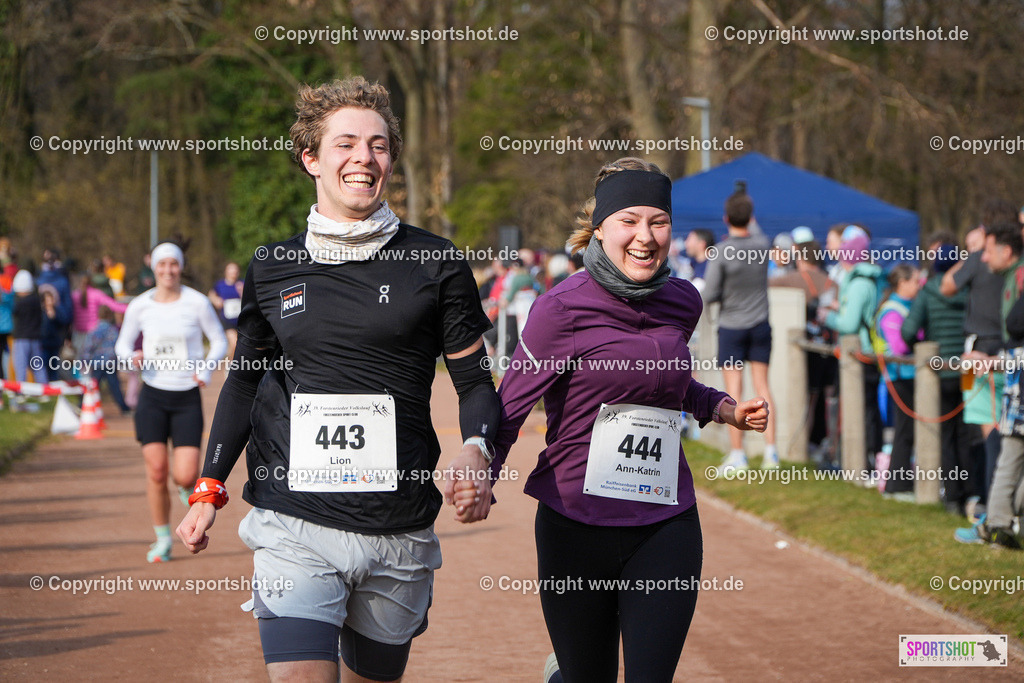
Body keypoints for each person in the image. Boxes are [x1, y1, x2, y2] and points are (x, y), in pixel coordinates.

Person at [174, 76, 498, 683]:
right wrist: (208, 487)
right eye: (345, 143)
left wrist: (479, 449)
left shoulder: (436, 262)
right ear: (311, 159)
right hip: (294, 519)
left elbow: (476, 383)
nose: (363, 158)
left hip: (397, 525)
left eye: (378, 146)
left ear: (391, 161)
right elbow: (244, 384)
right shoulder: (273, 267)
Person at [469, 157, 768, 683]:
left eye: (658, 222)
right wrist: (483, 474)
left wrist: (723, 408)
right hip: (575, 524)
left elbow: (669, 386)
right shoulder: (560, 309)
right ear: (600, 227)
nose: (645, 237)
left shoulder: (683, 301)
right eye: (629, 220)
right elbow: (511, 405)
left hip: (664, 522)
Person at [115, 242, 227, 563]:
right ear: (154, 267)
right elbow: (122, 345)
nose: (168, 270)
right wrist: (131, 357)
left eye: (173, 265)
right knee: (156, 470)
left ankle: (185, 492)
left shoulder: (197, 302)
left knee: (184, 474)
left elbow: (218, 340)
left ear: (181, 267)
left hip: (186, 396)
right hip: (152, 395)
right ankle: (162, 538)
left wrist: (205, 369)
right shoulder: (139, 305)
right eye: (162, 265)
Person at [955, 222, 1024, 547]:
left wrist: (993, 357)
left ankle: (992, 516)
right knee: (992, 437)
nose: (979, 258)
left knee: (1000, 441)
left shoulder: (1011, 273)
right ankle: (992, 515)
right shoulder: (1000, 273)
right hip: (980, 360)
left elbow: (947, 284)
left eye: (982, 249)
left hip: (994, 364)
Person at [702, 185, 778, 472]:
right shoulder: (762, 244)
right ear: (751, 217)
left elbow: (709, 294)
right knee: (763, 388)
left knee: (734, 391)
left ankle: (738, 455)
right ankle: (771, 452)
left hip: (732, 327)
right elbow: (752, 224)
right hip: (760, 324)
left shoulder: (721, 252)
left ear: (725, 219)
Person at [901, 244, 972, 515]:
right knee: (965, 433)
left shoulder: (928, 291)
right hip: (966, 371)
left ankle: (952, 497)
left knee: (944, 434)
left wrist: (922, 342)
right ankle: (970, 493)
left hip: (939, 371)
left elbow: (908, 330)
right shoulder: (967, 289)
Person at [822, 226, 884, 477]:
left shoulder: (858, 283)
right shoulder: (863, 279)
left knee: (866, 412)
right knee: (865, 410)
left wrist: (829, 317)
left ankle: (866, 464)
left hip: (863, 355)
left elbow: (848, 324)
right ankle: (861, 461)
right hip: (862, 354)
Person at [873, 265, 920, 499]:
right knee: (904, 431)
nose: (919, 286)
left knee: (907, 430)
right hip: (899, 377)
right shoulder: (892, 310)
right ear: (902, 283)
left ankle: (899, 484)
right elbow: (900, 346)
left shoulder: (903, 307)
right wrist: (921, 335)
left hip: (906, 376)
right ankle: (896, 486)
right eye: (915, 282)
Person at [82, 305, 130, 414]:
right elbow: (118, 346)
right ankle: (124, 408)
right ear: (109, 316)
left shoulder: (94, 330)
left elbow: (88, 347)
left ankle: (83, 406)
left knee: (93, 385)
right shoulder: (113, 330)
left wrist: (85, 361)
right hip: (110, 362)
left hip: (97, 362)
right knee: (115, 386)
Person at [72, 273, 128, 352]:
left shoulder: (74, 295)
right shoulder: (96, 294)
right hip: (94, 332)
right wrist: (131, 307)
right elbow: (114, 306)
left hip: (78, 332)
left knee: (79, 359)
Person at [11, 270, 47, 384]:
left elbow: (13, 313)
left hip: (21, 338)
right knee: (38, 366)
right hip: (35, 338)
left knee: (20, 366)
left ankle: (20, 392)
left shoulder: (19, 303)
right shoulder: (37, 301)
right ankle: (45, 390)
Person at [208, 262, 244, 362]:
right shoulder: (220, 285)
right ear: (226, 272)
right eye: (231, 270)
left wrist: (242, 292)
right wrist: (216, 300)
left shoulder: (242, 283)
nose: (234, 273)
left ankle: (230, 363)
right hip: (226, 320)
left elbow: (250, 300)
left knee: (238, 346)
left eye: (235, 271)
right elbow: (211, 295)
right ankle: (231, 367)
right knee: (234, 343)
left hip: (241, 320)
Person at [683, 228, 715, 293]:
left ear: (702, 244)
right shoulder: (695, 263)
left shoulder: (710, 266)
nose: (686, 243)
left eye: (689, 240)